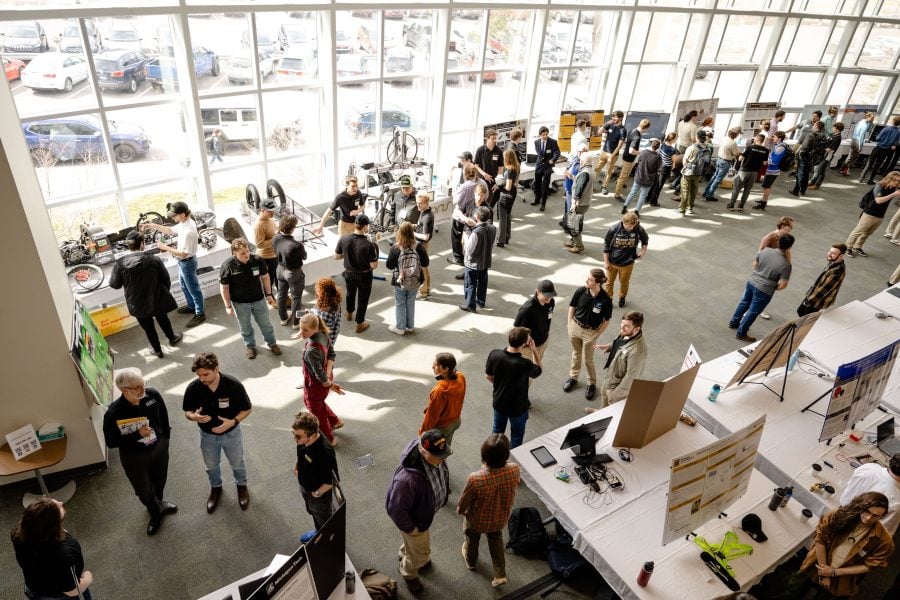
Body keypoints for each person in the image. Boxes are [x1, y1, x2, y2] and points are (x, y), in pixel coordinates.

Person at [771, 492, 893, 599]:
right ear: (860, 506)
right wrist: (825, 572)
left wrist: (834, 572)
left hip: (842, 577)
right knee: (791, 591)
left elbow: (868, 566)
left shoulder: (884, 542)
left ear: (883, 516)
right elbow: (820, 540)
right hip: (817, 563)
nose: (868, 518)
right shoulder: (839, 515)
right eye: (866, 511)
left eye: (876, 516)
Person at [103, 367, 176, 536]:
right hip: (134, 456)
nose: (142, 389)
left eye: (143, 384)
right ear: (124, 390)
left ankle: (160, 502)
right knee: (143, 490)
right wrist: (136, 435)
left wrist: (165, 438)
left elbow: (164, 417)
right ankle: (154, 512)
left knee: (160, 478)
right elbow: (111, 442)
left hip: (158, 447)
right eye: (137, 387)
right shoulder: (114, 413)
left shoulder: (152, 396)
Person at [182, 352, 252, 513]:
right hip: (207, 436)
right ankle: (216, 488)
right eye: (199, 375)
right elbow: (187, 410)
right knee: (211, 466)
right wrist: (194, 417)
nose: (202, 379)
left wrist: (233, 422)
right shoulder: (193, 388)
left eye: (206, 374)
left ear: (216, 369)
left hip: (232, 434)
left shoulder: (233, 385)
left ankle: (241, 485)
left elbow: (247, 409)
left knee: (237, 463)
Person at [385, 430, 451, 594]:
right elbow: (395, 510)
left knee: (414, 547)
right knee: (421, 555)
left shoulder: (433, 456)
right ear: (423, 450)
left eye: (444, 454)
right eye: (439, 455)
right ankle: (408, 572)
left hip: (423, 513)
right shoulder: (406, 481)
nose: (443, 459)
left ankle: (408, 553)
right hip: (415, 523)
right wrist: (412, 529)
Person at [457, 433, 521, 588]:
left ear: (484, 456)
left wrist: (461, 510)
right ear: (506, 454)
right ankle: (500, 574)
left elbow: (464, 500)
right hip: (500, 518)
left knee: (472, 541)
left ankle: (471, 562)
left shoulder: (475, 478)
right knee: (496, 539)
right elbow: (516, 484)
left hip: (477, 520)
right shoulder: (514, 469)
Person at [109, 230, 181, 358]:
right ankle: (172, 338)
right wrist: (163, 292)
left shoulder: (120, 264)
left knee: (148, 327)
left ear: (128, 245)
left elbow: (115, 285)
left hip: (136, 303)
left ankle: (157, 350)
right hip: (157, 297)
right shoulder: (154, 259)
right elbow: (166, 279)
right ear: (142, 244)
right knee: (163, 318)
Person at [11, 498, 94, 600]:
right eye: (58, 509)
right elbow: (72, 590)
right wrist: (88, 577)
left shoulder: (18, 534)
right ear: (53, 525)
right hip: (57, 596)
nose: (61, 502)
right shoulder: (66, 550)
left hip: (33, 588)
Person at [141, 201, 205, 327]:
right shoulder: (184, 222)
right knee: (183, 285)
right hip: (183, 262)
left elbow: (183, 254)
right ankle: (191, 306)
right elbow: (169, 230)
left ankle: (200, 313)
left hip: (187, 262)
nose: (172, 218)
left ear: (182, 214)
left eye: (174, 216)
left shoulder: (188, 231)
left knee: (193, 289)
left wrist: (165, 247)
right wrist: (152, 225)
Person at [220, 237, 281, 359]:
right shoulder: (228, 266)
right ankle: (250, 346)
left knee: (266, 324)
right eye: (243, 253)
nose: (247, 254)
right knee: (245, 327)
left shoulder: (257, 260)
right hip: (240, 303)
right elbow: (224, 288)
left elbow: (265, 277)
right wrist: (227, 306)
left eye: (247, 251)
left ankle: (272, 343)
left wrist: (268, 294)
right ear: (234, 253)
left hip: (258, 300)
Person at [729, 234, 794, 343]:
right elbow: (783, 285)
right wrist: (773, 286)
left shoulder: (765, 251)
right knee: (753, 311)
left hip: (751, 281)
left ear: (778, 242)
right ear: (790, 247)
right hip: (764, 290)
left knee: (744, 302)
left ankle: (734, 322)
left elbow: (755, 265)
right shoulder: (786, 265)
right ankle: (741, 333)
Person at [485, 327, 542, 448]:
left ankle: (492, 455)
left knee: (496, 432)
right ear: (524, 344)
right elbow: (538, 370)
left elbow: (488, 376)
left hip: (499, 402)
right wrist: (534, 351)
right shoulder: (524, 364)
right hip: (518, 408)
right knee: (516, 436)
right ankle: (511, 460)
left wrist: (500, 385)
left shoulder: (494, 354)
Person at [563, 268, 613, 400]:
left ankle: (592, 383)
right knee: (575, 354)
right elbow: (572, 307)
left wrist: (596, 335)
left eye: (590, 279)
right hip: (575, 326)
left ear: (597, 283)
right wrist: (569, 325)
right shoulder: (580, 291)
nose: (586, 281)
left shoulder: (606, 300)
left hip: (590, 332)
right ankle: (573, 377)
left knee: (588, 359)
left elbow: (606, 320)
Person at [297, 312, 345, 444]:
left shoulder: (311, 351)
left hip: (316, 384)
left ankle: (330, 439)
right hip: (326, 378)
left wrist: (328, 383)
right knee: (319, 404)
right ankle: (336, 421)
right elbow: (332, 354)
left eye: (305, 330)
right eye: (301, 328)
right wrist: (329, 373)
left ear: (315, 328)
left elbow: (319, 376)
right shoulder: (324, 335)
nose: (302, 332)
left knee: (315, 410)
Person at [292, 411, 339, 532]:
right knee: (314, 513)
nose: (294, 439)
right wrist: (297, 467)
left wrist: (316, 494)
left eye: (297, 436)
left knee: (324, 519)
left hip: (318, 494)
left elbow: (331, 481)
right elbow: (302, 454)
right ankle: (319, 532)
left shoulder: (325, 453)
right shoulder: (304, 440)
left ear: (312, 435)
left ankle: (330, 543)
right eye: (293, 434)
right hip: (305, 486)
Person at [334, 214, 379, 333]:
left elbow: (337, 256)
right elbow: (374, 265)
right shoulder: (369, 245)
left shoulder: (344, 239)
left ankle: (349, 312)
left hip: (348, 273)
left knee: (350, 293)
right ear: (365, 227)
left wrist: (348, 255)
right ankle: (360, 323)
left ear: (355, 224)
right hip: (364, 275)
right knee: (363, 298)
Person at [840, 453, 900, 535]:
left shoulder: (869, 467)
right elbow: (881, 535)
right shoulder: (896, 503)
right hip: (855, 534)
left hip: (840, 512)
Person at [385, 221, 429, 335]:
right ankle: (410, 326)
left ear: (400, 233)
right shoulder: (418, 246)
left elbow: (389, 265)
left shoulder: (396, 248)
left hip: (400, 280)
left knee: (400, 303)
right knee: (411, 302)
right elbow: (425, 263)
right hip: (415, 280)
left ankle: (400, 327)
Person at [596, 312, 647, 407]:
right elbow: (621, 342)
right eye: (622, 323)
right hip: (612, 374)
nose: (622, 327)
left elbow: (632, 375)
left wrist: (616, 394)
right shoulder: (628, 332)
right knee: (604, 394)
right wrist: (610, 346)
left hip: (617, 385)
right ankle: (599, 413)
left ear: (637, 329)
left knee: (611, 406)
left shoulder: (637, 351)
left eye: (626, 326)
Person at [846, 171, 900, 257]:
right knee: (858, 231)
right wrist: (894, 194)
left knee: (868, 232)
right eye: (897, 181)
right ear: (891, 179)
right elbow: (878, 200)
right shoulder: (880, 186)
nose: (898, 183)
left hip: (880, 215)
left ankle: (857, 246)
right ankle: (848, 247)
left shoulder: (892, 188)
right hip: (870, 213)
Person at [420, 352, 466, 446]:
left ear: (445, 369)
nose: (432, 367)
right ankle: (443, 458)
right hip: (455, 421)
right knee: (445, 446)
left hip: (443, 426)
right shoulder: (461, 376)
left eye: (436, 365)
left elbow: (432, 416)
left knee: (433, 452)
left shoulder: (440, 391)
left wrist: (422, 433)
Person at [604, 211, 649, 308]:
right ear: (623, 222)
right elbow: (606, 244)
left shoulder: (639, 229)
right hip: (613, 262)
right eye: (628, 226)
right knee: (608, 282)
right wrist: (606, 261)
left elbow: (645, 240)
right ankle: (609, 298)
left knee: (624, 282)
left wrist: (643, 251)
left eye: (632, 226)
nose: (630, 228)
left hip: (628, 263)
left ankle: (622, 297)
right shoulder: (614, 229)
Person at [514, 280, 557, 379]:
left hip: (543, 343)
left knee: (534, 371)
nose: (549, 298)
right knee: (524, 375)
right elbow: (517, 329)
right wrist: (526, 344)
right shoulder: (527, 309)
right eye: (547, 295)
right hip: (528, 348)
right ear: (538, 291)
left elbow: (548, 319)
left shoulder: (550, 303)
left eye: (551, 295)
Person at [272, 214, 307, 329]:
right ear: (293, 228)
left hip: (280, 270)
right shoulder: (297, 245)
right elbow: (304, 257)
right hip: (293, 273)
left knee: (281, 295)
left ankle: (283, 318)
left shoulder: (275, 238)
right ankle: (296, 323)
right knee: (296, 298)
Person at [460, 206, 496, 313]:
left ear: (477, 216)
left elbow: (469, 249)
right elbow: (492, 245)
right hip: (485, 261)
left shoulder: (476, 233)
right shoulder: (493, 228)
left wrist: (466, 237)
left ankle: (470, 305)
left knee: (470, 284)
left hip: (473, 263)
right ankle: (480, 301)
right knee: (482, 283)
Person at [798, 244, 847, 316]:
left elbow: (824, 290)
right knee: (800, 312)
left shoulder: (836, 272)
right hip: (813, 296)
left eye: (833, 253)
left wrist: (809, 301)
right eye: (829, 251)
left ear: (841, 256)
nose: (829, 254)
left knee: (804, 316)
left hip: (816, 301)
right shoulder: (834, 262)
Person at [727, 133, 768, 212]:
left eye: (755, 138)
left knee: (737, 189)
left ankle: (731, 205)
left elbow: (740, 158)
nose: (754, 139)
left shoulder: (749, 147)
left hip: (744, 171)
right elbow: (764, 163)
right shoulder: (765, 150)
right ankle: (741, 206)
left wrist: (737, 167)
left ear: (758, 139)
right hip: (754, 173)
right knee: (747, 190)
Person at [563, 144, 593, 253]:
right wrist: (573, 177)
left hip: (580, 203)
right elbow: (581, 182)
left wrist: (574, 204)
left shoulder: (584, 173)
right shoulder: (590, 170)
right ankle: (573, 241)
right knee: (577, 222)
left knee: (574, 224)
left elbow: (579, 189)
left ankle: (579, 245)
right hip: (586, 202)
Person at [449, 164, 480, 265]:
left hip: (461, 215)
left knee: (456, 236)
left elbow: (455, 201)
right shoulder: (480, 183)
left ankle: (458, 258)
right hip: (473, 214)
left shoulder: (464, 187)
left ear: (465, 174)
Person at [622, 137, 661, 215]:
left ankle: (625, 207)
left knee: (632, 193)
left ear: (651, 144)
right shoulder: (658, 157)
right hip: (648, 179)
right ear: (657, 147)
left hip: (639, 177)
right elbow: (658, 168)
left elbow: (639, 161)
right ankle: (637, 211)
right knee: (643, 196)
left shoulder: (644, 152)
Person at [613, 118, 649, 202]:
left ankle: (619, 184)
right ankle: (617, 194)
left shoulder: (633, 130)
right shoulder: (637, 136)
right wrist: (641, 152)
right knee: (623, 176)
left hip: (626, 156)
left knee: (624, 175)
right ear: (646, 128)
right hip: (629, 159)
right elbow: (631, 151)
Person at [753, 131, 789, 211]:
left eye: (775, 137)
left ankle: (763, 203)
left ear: (779, 138)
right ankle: (763, 200)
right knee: (766, 186)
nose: (773, 139)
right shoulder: (780, 145)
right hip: (772, 170)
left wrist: (766, 160)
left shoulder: (780, 147)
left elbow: (775, 161)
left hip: (773, 170)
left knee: (767, 186)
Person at [304, 276, 342, 351]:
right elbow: (318, 311)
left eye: (318, 288)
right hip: (329, 334)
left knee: (322, 353)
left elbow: (321, 328)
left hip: (324, 338)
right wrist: (311, 311)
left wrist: (310, 318)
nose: (315, 288)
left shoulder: (327, 312)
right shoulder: (332, 300)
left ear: (324, 293)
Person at [678, 129, 710, 215]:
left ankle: (682, 209)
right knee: (693, 191)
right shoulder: (707, 148)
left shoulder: (692, 147)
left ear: (697, 137)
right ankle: (690, 208)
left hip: (688, 172)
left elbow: (685, 160)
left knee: (685, 190)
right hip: (698, 172)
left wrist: (685, 169)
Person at [790, 121, 826, 197]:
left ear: (816, 127)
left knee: (800, 174)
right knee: (806, 174)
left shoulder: (810, 135)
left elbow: (805, 147)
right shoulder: (824, 136)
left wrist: (799, 155)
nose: (812, 126)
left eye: (814, 125)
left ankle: (796, 190)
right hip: (814, 159)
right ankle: (803, 190)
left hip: (805, 158)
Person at [860, 116, 900, 185]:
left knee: (869, 163)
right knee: (877, 165)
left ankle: (861, 178)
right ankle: (870, 180)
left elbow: (878, 138)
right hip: (885, 150)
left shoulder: (886, 129)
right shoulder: (897, 132)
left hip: (877, 148)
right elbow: (896, 142)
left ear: (893, 121)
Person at [595, 110, 627, 195]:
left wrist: (611, 156)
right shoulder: (610, 125)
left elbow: (619, 146)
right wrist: (607, 123)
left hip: (612, 155)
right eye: (613, 116)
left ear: (620, 118)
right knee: (597, 169)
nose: (613, 118)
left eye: (615, 117)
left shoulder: (623, 130)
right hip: (604, 152)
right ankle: (590, 184)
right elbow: (599, 132)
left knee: (609, 172)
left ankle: (604, 186)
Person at [809, 122, 845, 190]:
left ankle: (817, 184)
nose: (832, 128)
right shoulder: (831, 134)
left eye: (834, 127)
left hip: (827, 156)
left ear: (837, 129)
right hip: (822, 154)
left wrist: (820, 149)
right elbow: (825, 142)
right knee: (817, 169)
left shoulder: (838, 138)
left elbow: (829, 149)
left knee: (821, 170)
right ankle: (812, 182)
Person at [532, 126, 560, 211]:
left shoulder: (553, 142)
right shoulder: (536, 142)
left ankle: (543, 204)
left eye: (546, 134)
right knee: (537, 184)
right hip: (539, 165)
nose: (545, 136)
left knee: (545, 185)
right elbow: (539, 153)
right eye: (543, 135)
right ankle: (537, 200)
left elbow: (557, 152)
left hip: (548, 166)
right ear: (540, 135)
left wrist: (553, 159)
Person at [253, 198, 279, 291]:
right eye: (270, 211)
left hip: (275, 254)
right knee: (269, 280)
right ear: (262, 210)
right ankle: (270, 299)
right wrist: (275, 238)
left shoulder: (270, 218)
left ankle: (283, 297)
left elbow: (274, 231)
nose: (273, 213)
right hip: (266, 258)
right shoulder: (258, 225)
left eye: (274, 210)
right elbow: (259, 245)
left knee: (279, 278)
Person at [495, 148, 519, 248]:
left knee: (502, 218)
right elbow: (516, 183)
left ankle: (501, 240)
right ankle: (507, 236)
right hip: (513, 194)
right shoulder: (516, 167)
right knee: (508, 215)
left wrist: (499, 184)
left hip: (506, 195)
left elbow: (508, 187)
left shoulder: (509, 170)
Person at [413, 193, 434, 298]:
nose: (418, 205)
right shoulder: (425, 212)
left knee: (422, 268)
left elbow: (425, 236)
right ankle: (425, 289)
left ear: (426, 203)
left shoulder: (427, 217)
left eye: (420, 203)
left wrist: (412, 233)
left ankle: (424, 291)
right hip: (421, 244)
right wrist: (415, 226)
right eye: (417, 203)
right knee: (423, 267)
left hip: (422, 244)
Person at [842, 112, 874, 176]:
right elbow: (861, 137)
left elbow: (868, 130)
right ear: (867, 117)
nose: (872, 119)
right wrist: (860, 146)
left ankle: (843, 169)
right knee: (853, 157)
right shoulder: (864, 125)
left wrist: (870, 123)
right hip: (857, 142)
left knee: (850, 156)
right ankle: (845, 170)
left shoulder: (860, 122)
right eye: (872, 118)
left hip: (853, 140)